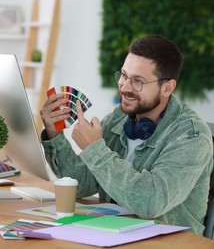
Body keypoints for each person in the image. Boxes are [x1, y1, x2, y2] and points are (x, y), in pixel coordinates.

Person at [40, 35, 214, 235]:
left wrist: (94, 149)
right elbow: (81, 185)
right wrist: (54, 134)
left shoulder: (192, 136)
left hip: (169, 241)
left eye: (138, 81)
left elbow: (150, 202)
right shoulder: (119, 117)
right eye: (124, 75)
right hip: (115, 232)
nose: (124, 87)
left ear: (167, 88)